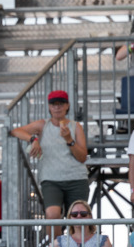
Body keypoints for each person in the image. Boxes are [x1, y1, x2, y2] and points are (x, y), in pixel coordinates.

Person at [10, 90, 89, 220]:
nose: (57, 107)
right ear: (49, 107)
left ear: (67, 106)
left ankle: (76, 241)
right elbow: (15, 131)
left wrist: (69, 140)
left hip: (76, 178)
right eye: (53, 104)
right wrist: (33, 139)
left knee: (78, 217)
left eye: (61, 104)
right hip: (51, 179)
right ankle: (55, 241)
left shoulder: (76, 127)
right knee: (52, 215)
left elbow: (82, 157)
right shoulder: (43, 125)